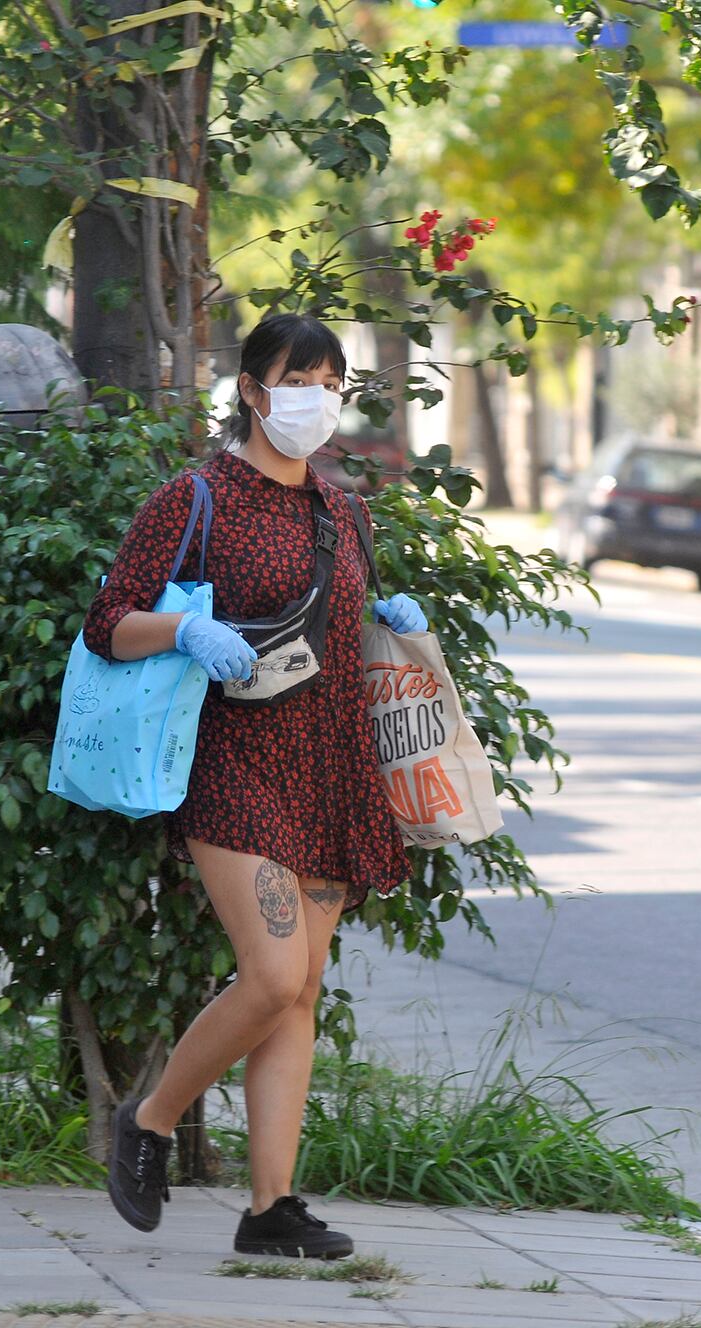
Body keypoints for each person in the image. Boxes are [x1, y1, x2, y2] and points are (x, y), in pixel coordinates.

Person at [79, 313, 427, 1258]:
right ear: (251, 389)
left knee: (298, 991)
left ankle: (270, 1208)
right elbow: (107, 622)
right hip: (234, 762)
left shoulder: (341, 509)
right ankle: (150, 1121)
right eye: (296, 378)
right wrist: (185, 629)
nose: (314, 398)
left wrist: (386, 619)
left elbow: (336, 616)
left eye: (329, 380)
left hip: (329, 761)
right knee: (271, 973)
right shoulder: (192, 497)